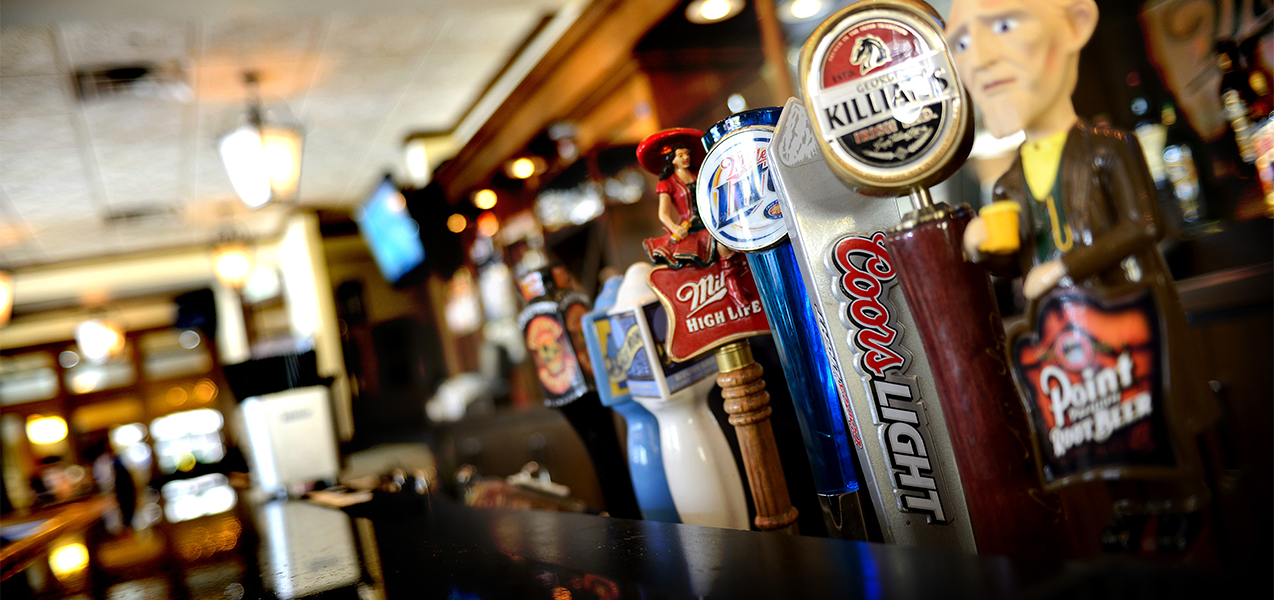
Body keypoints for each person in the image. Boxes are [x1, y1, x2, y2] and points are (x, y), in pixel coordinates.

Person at [947, 0, 1219, 553]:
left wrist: (1065, 267)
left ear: (1076, 25)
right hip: (1066, 335)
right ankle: (1129, 506)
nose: (980, 60)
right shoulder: (1008, 185)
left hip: (1130, 311)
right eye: (961, 43)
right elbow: (1017, 265)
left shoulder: (1107, 149)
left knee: (1155, 408)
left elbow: (1145, 223)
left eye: (1001, 25)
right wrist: (983, 249)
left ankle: (1183, 501)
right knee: (1095, 425)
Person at [636, 129, 718, 269]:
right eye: (680, 155)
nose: (685, 158)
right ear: (672, 159)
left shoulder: (699, 174)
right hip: (689, 228)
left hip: (711, 222)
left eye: (687, 154)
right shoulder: (667, 184)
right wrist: (675, 228)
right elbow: (663, 214)